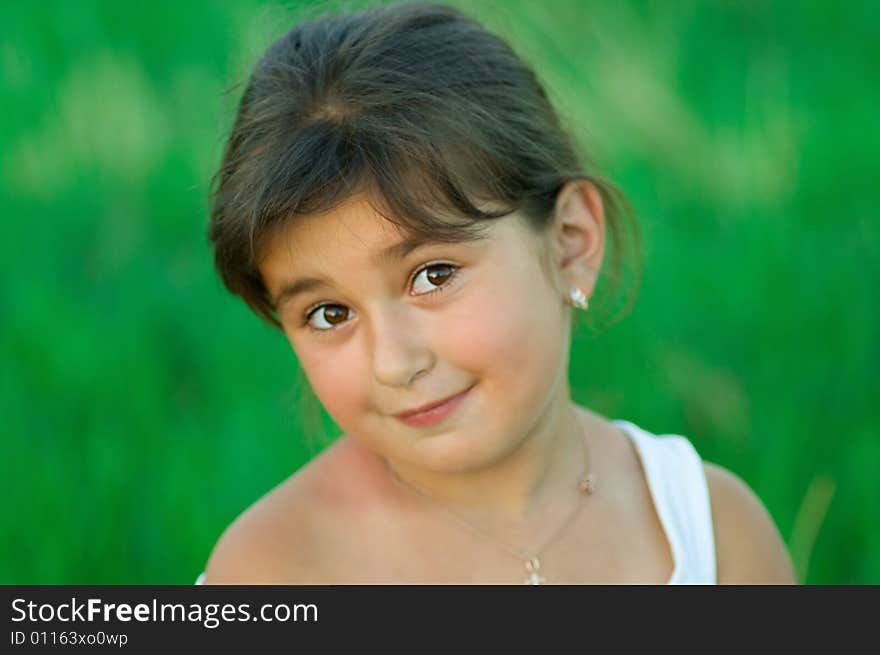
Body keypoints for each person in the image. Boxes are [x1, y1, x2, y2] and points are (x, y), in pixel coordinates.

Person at [197, 1, 796, 584]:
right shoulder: (272, 573)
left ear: (570, 243)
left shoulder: (709, 535)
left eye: (433, 275)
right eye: (330, 313)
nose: (396, 363)